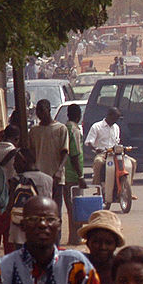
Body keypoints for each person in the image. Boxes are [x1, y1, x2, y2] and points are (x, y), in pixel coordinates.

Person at [27, 99, 68, 224]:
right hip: (39, 178)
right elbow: (31, 153)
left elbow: (65, 152)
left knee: (55, 211)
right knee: (40, 210)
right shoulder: (34, 131)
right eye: (37, 111)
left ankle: (56, 239)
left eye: (42, 110)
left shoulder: (61, 129)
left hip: (55, 176)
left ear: (49, 110)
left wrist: (59, 170)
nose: (39, 114)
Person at [79, 209, 125, 284]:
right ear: (88, 243)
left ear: (116, 245)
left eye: (108, 243)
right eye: (96, 242)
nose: (102, 247)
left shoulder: (123, 269)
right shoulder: (79, 266)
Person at [62, 103, 86, 245]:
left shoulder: (65, 128)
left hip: (66, 174)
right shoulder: (74, 130)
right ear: (79, 115)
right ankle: (76, 237)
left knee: (71, 207)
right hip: (73, 174)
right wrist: (80, 176)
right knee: (76, 207)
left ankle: (74, 236)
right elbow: (75, 154)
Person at [85, 107, 124, 191]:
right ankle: (97, 187)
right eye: (115, 118)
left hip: (115, 154)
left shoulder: (116, 127)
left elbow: (117, 142)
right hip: (102, 153)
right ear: (109, 116)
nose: (116, 120)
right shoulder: (97, 126)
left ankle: (125, 188)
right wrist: (96, 149)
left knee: (131, 162)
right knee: (98, 162)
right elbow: (89, 142)